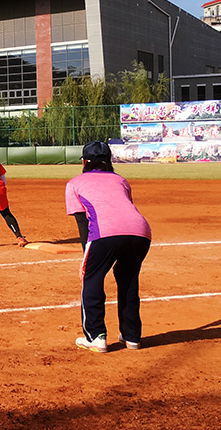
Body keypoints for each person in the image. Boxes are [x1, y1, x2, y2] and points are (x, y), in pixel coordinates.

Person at [66, 140, 152, 353]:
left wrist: (86, 257)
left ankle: (96, 337)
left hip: (105, 233)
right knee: (128, 279)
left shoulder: (75, 183)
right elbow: (125, 208)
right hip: (141, 233)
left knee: (92, 278)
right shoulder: (121, 180)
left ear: (85, 162)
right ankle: (132, 337)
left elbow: (83, 224)